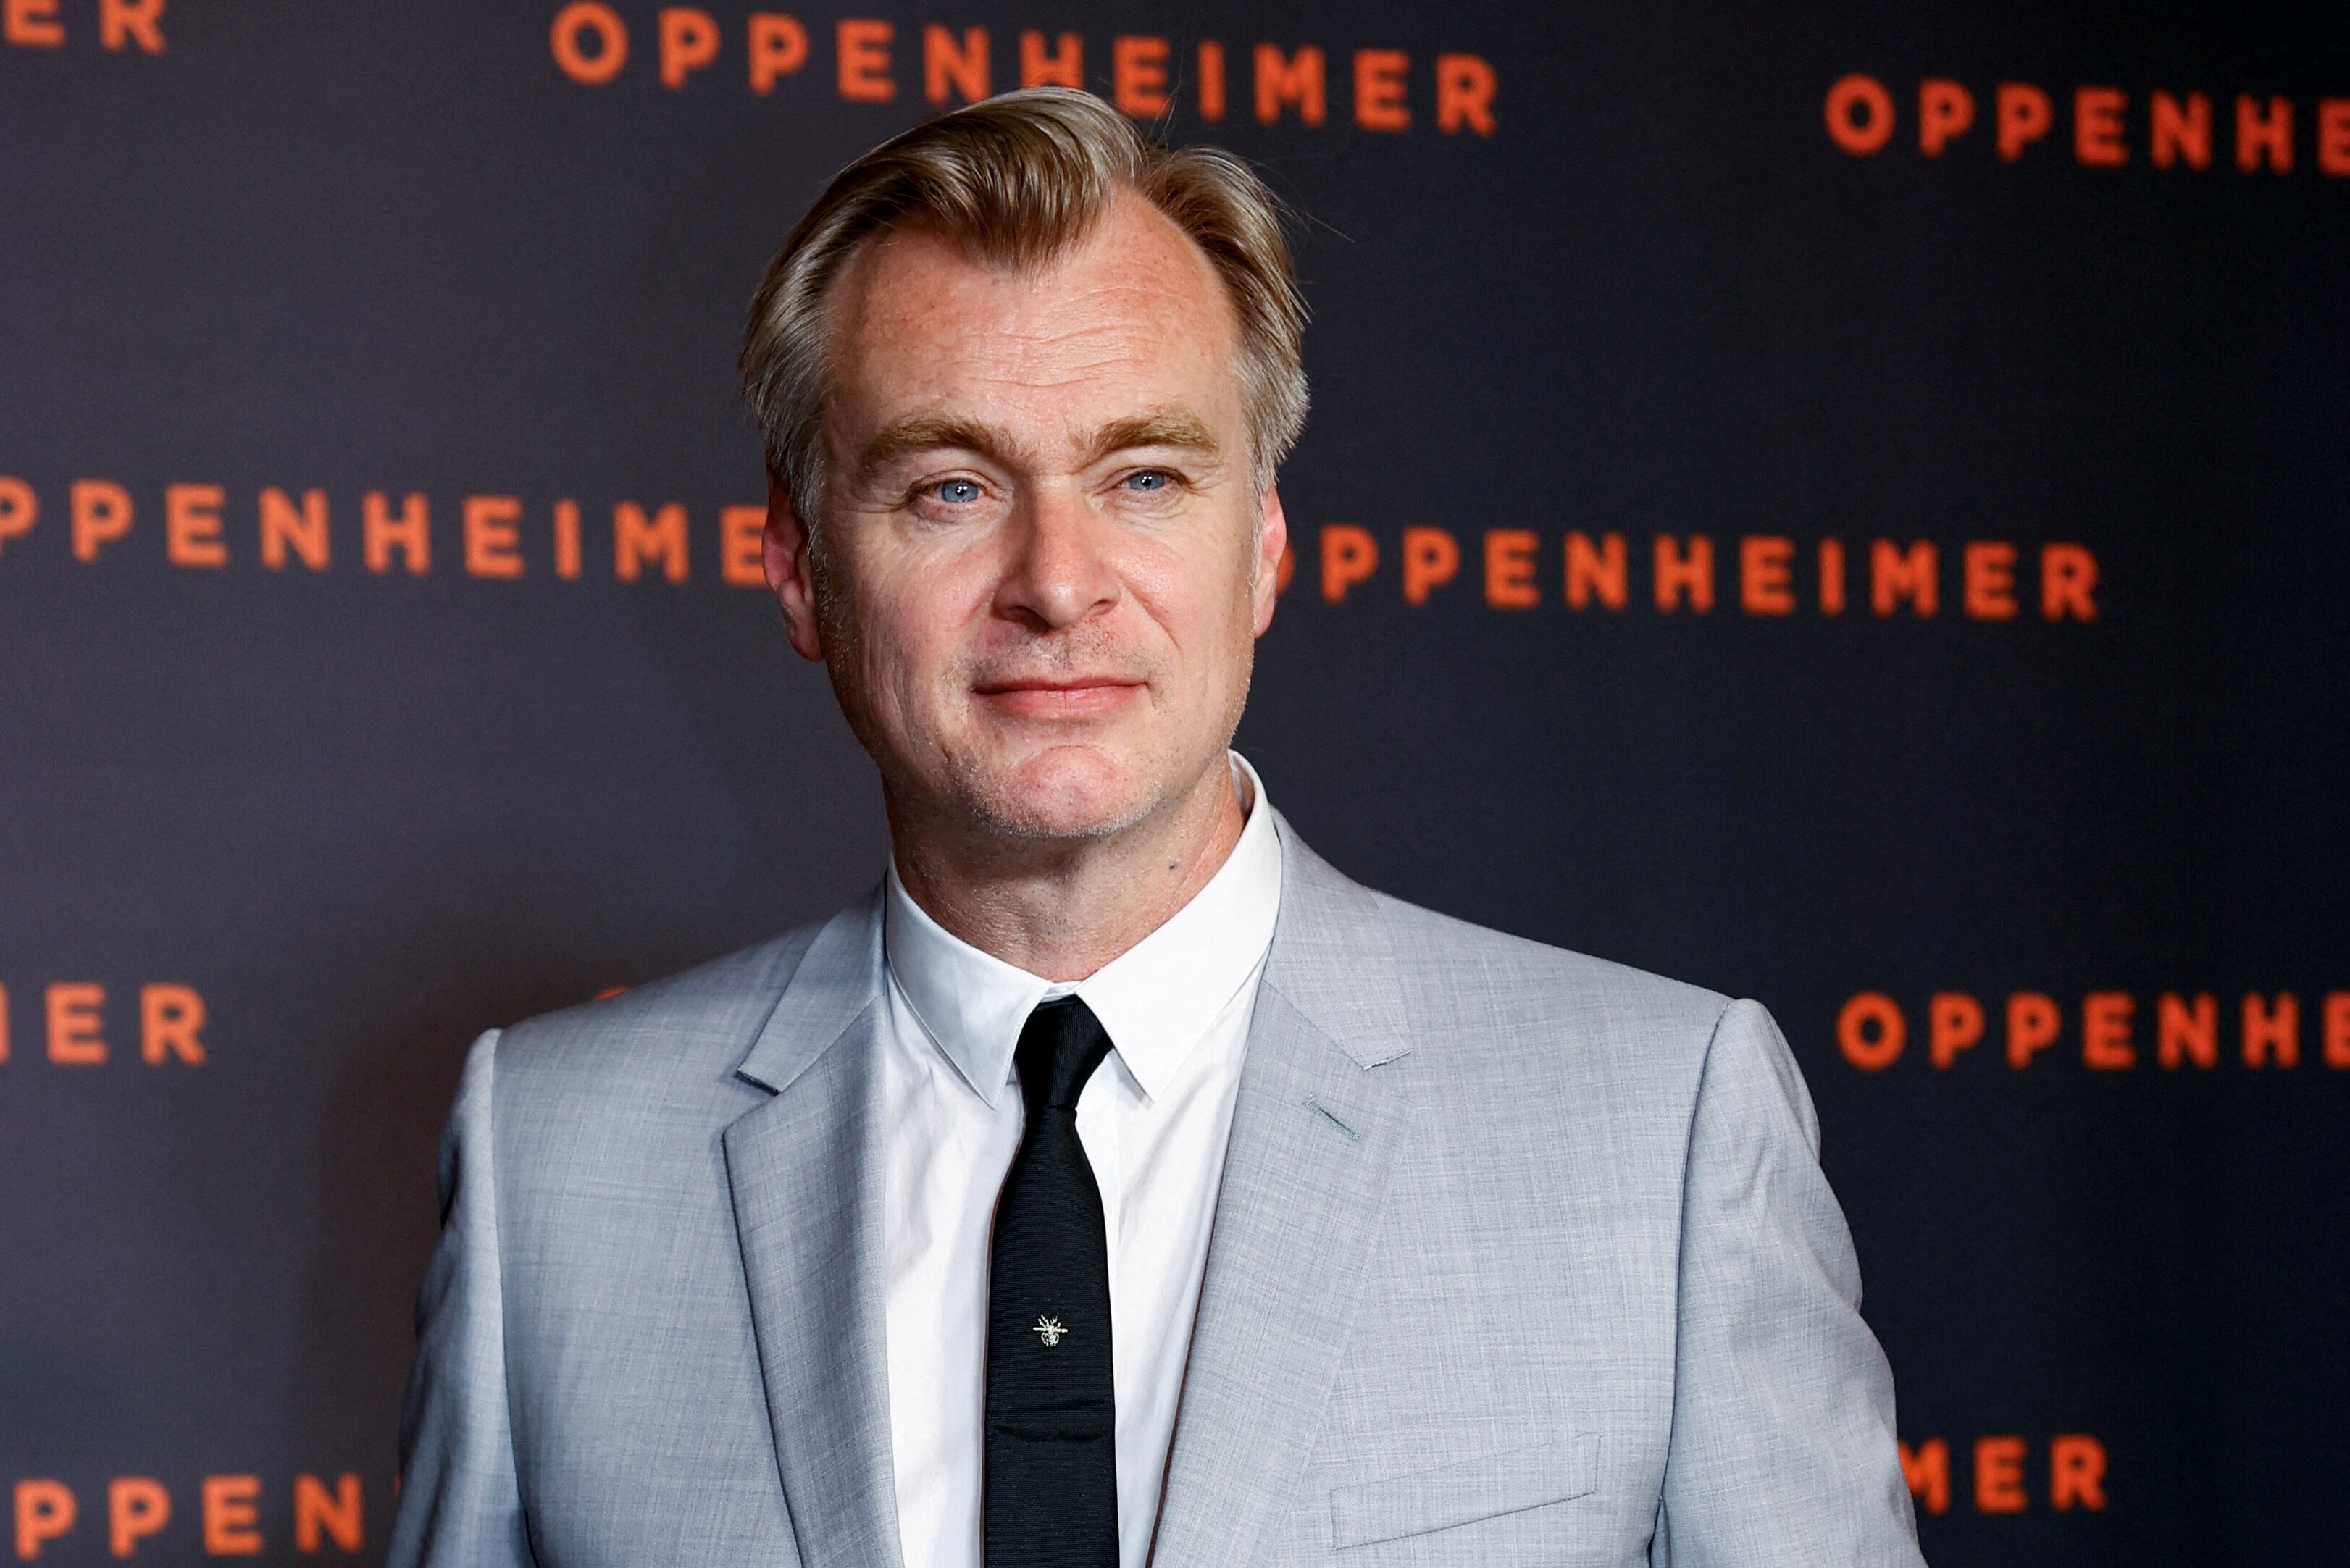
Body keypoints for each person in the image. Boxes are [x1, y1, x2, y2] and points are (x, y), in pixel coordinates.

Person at [388, 88, 1925, 1568]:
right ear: (799, 571)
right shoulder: (557, 1163)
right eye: (946, 487)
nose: (1057, 581)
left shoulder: (1656, 1132)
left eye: (1141, 476)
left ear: (1260, 546)